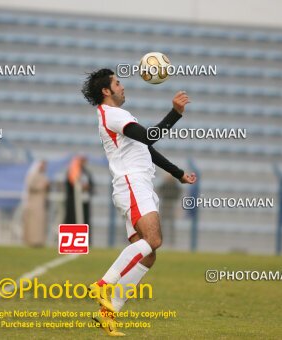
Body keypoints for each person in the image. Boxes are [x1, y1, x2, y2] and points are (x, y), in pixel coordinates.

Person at [81, 69, 196, 336]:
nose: (122, 87)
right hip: (133, 185)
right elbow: (149, 137)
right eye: (117, 83)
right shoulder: (113, 114)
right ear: (106, 91)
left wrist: (178, 173)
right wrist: (175, 114)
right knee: (153, 241)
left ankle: (109, 313)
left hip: (134, 186)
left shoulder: (114, 116)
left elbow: (146, 148)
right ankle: (103, 284)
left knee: (148, 255)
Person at [64, 156, 94, 239]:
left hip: (84, 201)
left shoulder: (86, 172)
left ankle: (84, 240)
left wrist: (87, 187)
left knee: (84, 221)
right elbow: (71, 185)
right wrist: (80, 187)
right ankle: (71, 240)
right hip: (73, 202)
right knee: (72, 220)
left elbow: (91, 185)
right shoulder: (72, 172)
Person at [22, 160, 50, 247]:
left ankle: (39, 241)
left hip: (41, 201)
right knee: (33, 223)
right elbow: (30, 186)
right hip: (34, 202)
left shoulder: (43, 175)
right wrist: (42, 186)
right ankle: (32, 241)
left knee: (40, 223)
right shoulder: (32, 175)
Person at [157, 174, 182, 247]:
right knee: (162, 224)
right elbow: (160, 192)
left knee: (171, 225)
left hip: (171, 206)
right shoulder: (164, 184)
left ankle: (171, 240)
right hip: (165, 206)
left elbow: (177, 194)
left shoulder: (175, 185)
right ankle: (161, 239)